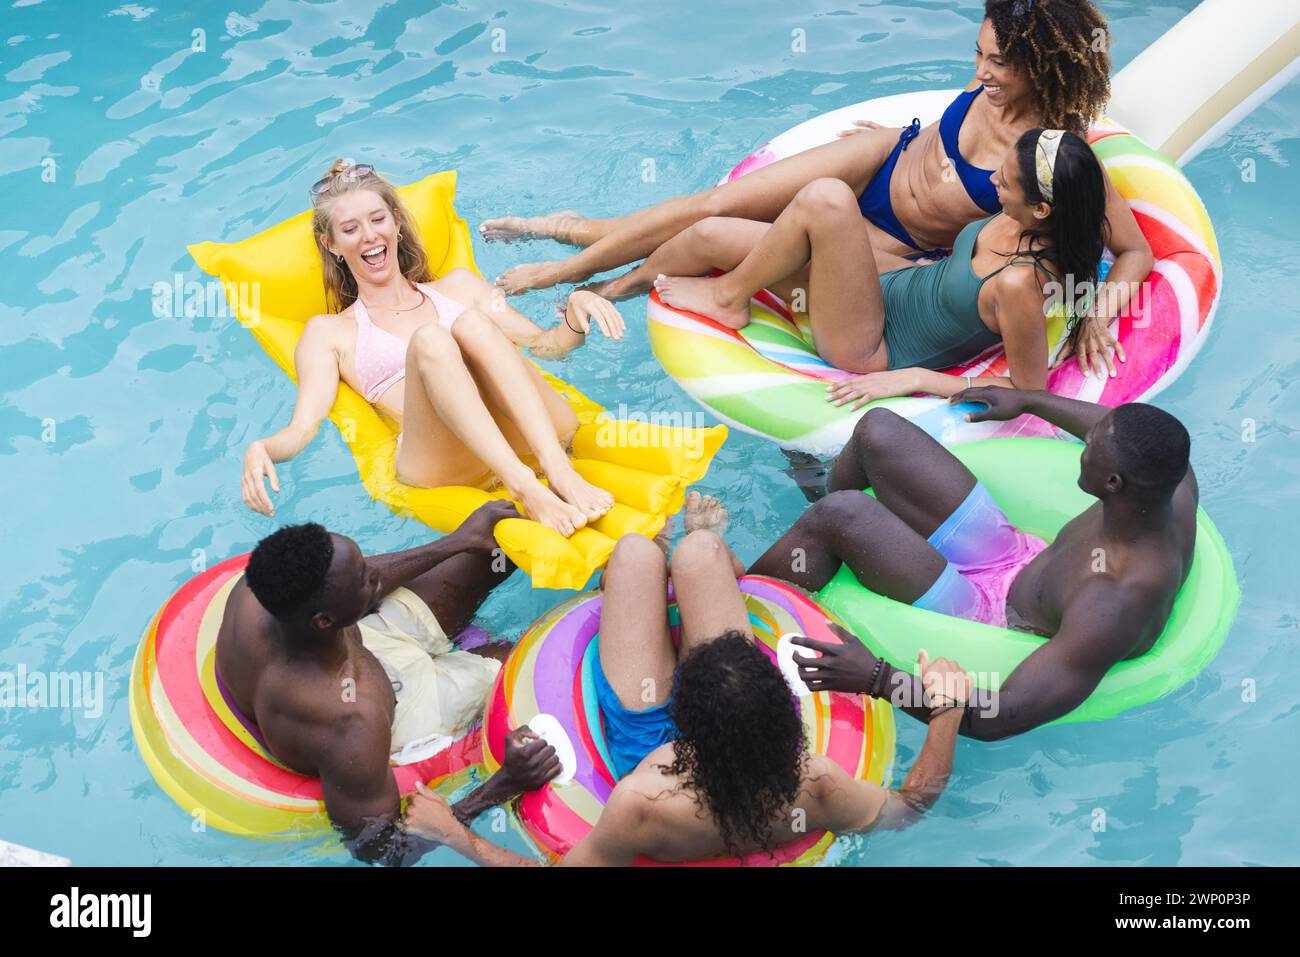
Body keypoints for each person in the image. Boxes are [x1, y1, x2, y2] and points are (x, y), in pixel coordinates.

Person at [481, 0, 1149, 377]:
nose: (979, 71)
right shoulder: (988, 81)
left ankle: (600, 289)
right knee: (711, 206)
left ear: (1040, 67)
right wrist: (899, 130)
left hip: (886, 243)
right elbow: (949, 133)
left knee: (712, 235)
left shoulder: (1056, 151)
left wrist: (1094, 309)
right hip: (886, 157)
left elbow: (1133, 251)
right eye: (978, 54)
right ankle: (563, 256)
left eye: (997, 63)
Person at [399, 528, 972, 866]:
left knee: (634, 553)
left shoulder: (641, 803)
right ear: (782, 713)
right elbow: (911, 806)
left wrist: (458, 835)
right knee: (700, 547)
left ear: (684, 707)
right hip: (726, 749)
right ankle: (705, 564)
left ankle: (665, 568)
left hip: (647, 738)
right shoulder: (817, 782)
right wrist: (945, 711)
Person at [747, 388, 1198, 739]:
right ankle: (813, 512)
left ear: (1113, 482)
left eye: (1091, 446)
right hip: (1019, 557)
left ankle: (734, 623)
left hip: (991, 617)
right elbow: (1108, 426)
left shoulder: (1113, 600)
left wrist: (876, 677)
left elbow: (1005, 715)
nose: (1085, 442)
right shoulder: (1169, 486)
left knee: (841, 515)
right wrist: (1028, 400)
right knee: (878, 430)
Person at [239, 160, 627, 537]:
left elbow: (547, 347)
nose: (370, 236)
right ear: (332, 244)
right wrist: (264, 448)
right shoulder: (329, 332)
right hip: (443, 461)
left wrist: (577, 312)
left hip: (526, 433)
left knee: (472, 323)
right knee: (432, 340)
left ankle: (558, 469)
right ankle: (524, 485)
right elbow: (304, 427)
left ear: (396, 221)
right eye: (350, 229)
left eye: (377, 220)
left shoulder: (461, 288)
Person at [214, 500, 560, 865]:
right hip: (403, 713)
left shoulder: (259, 594)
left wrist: (457, 541)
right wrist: (506, 782)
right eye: (365, 579)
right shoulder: (348, 727)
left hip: (368, 642)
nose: (375, 574)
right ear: (323, 620)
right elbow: (384, 848)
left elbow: (360, 580)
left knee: (501, 547)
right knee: (554, 656)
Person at [649, 128, 1104, 400]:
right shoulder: (1035, 215)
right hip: (895, 282)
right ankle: (613, 288)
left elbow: (1029, 392)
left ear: (1042, 209)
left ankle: (730, 297)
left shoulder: (1019, 283)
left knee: (826, 199)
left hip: (871, 344)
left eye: (1003, 181)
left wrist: (917, 378)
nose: (992, 182)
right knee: (711, 234)